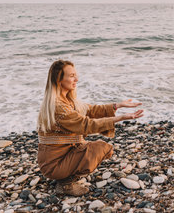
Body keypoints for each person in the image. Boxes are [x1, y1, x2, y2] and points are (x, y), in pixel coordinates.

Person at [37, 60, 144, 196]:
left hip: (58, 158)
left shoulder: (67, 100)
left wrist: (117, 105)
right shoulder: (59, 106)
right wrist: (120, 118)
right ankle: (65, 183)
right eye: (71, 76)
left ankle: (64, 175)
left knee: (102, 150)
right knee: (101, 148)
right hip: (53, 164)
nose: (76, 79)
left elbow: (91, 110)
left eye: (75, 75)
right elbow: (86, 125)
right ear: (59, 79)